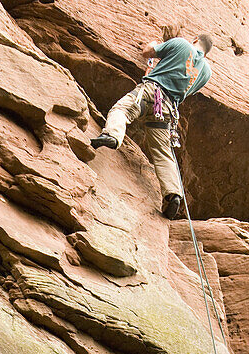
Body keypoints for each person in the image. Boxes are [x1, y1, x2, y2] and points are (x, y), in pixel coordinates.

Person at [91, 25, 213, 219]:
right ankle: (173, 195)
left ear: (196, 39)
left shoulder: (182, 43)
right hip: (167, 109)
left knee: (122, 110)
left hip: (150, 91)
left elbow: (148, 51)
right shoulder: (206, 73)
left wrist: (154, 43)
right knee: (163, 153)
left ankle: (112, 135)